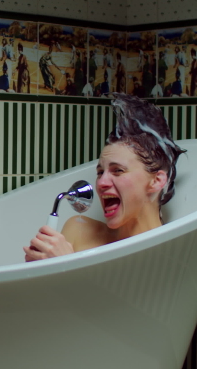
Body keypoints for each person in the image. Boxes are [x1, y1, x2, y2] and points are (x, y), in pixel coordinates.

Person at [24, 93, 185, 261]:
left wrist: (64, 263)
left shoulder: (168, 253)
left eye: (118, 171)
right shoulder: (79, 230)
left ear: (156, 181)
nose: (101, 183)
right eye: (100, 172)